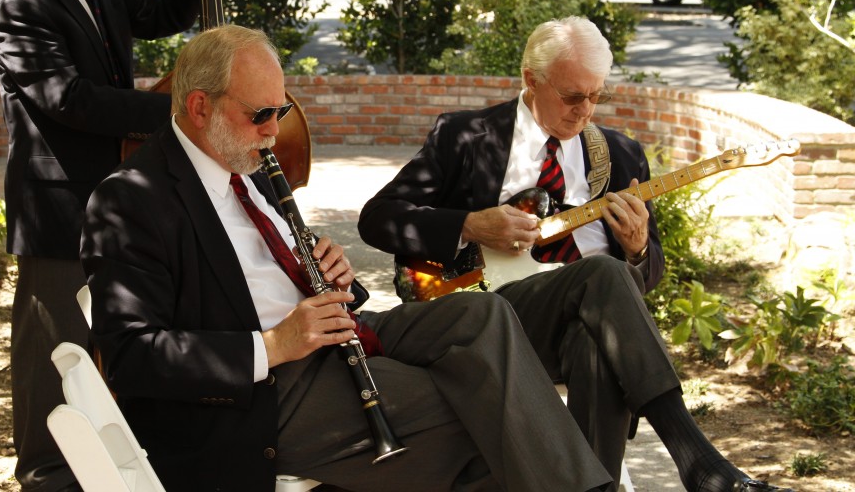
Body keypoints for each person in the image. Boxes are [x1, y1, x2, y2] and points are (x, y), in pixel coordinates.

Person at [79, 24, 615, 492]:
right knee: (481, 409)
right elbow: (132, 356)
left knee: (484, 315)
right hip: (259, 396)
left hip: (332, 340)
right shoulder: (130, 200)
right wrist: (273, 344)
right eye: (261, 114)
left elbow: (296, 274)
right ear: (200, 107)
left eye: (281, 108)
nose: (274, 130)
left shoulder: (246, 163)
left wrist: (333, 270)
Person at [358, 16, 794, 492]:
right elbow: (378, 218)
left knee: (597, 335)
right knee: (601, 277)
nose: (585, 110)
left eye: (596, 95)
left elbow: (640, 282)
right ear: (531, 79)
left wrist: (638, 248)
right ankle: (698, 461)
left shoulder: (621, 155)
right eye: (572, 96)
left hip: (567, 329)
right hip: (482, 319)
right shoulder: (465, 138)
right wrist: (469, 224)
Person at [0, 0, 223, 492]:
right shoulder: (21, 2)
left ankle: (103, 467)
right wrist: (181, 113)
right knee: (53, 351)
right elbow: (72, 100)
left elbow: (172, 11)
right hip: (56, 209)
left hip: (111, 203)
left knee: (106, 342)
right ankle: (44, 475)